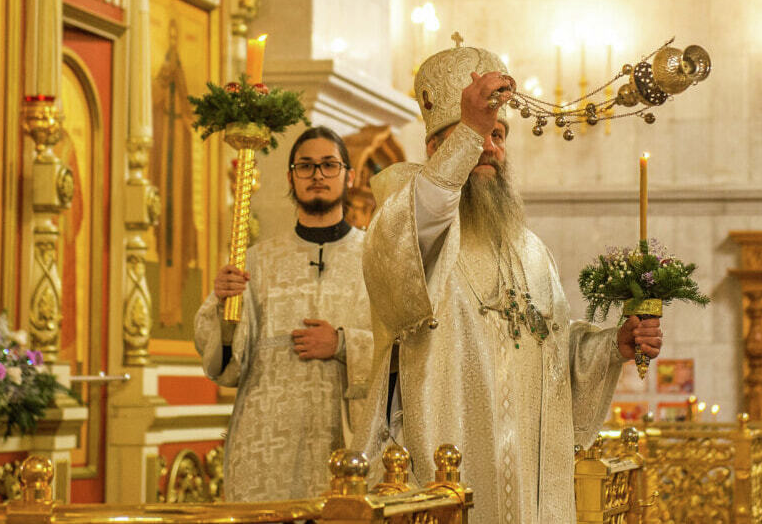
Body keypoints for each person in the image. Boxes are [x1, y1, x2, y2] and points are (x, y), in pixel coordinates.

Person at [354, 43, 663, 524]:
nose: (489, 146)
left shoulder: (530, 249)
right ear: (436, 149)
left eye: (498, 135)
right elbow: (415, 235)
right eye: (473, 134)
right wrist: (470, 129)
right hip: (442, 472)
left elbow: (553, 348)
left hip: (531, 482)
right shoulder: (411, 214)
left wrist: (609, 348)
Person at [194, 126, 374, 501]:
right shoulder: (257, 262)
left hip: (347, 443)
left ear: (349, 175)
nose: (317, 176)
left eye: (328, 165)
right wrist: (226, 307)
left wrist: (343, 344)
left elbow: (406, 348)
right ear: (290, 176)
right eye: (305, 166)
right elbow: (226, 365)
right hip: (264, 447)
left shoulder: (376, 258)